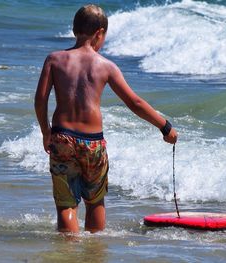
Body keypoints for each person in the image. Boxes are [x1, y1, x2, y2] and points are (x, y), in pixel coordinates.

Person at [34, 4, 177, 234]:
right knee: (95, 202)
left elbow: (40, 100)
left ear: (74, 30)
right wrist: (165, 126)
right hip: (93, 143)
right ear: (100, 33)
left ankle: (67, 253)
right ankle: (94, 252)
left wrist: (46, 131)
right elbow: (135, 103)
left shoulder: (54, 59)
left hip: (61, 138)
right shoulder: (106, 66)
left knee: (66, 205)